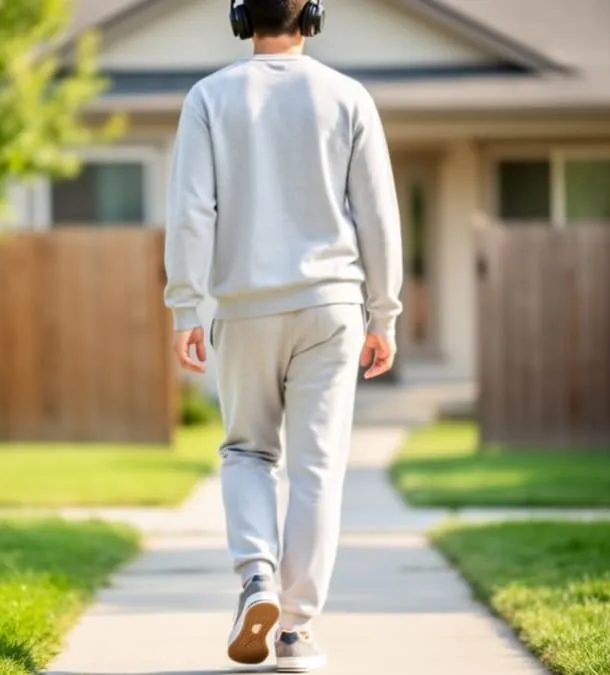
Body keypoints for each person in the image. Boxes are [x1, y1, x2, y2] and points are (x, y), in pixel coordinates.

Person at [163, 0, 403, 671]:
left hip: (244, 308)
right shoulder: (348, 97)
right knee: (316, 469)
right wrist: (384, 313)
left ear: (241, 18)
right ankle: (295, 632)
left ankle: (256, 579)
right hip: (332, 307)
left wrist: (185, 307)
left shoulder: (209, 97)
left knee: (247, 451)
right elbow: (379, 216)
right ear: (312, 18)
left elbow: (189, 211)